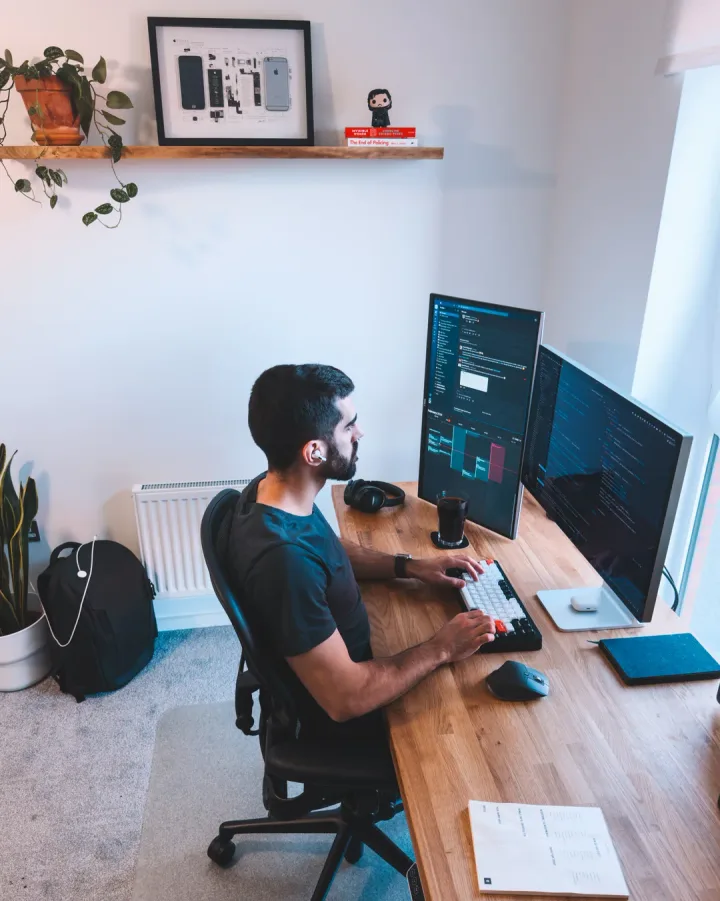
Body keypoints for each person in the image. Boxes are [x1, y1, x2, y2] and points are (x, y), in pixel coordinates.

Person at [224, 364, 495, 745]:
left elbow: (328, 552)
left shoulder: (274, 491)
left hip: (355, 667)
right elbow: (345, 698)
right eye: (349, 426)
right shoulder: (284, 562)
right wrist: (441, 648)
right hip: (354, 709)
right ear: (314, 451)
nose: (360, 433)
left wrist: (410, 567)